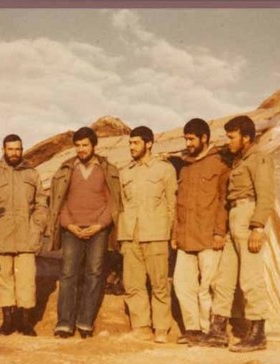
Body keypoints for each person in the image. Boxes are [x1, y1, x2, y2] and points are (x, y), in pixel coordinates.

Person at [207, 115, 274, 352]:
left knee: (250, 278)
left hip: (248, 216)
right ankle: (217, 331)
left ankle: (258, 334)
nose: (229, 141)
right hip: (235, 216)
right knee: (224, 278)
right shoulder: (239, 161)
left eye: (232, 137)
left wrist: (258, 227)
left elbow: (266, 195)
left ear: (246, 137)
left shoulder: (259, 159)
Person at [47, 127, 121, 339]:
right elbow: (58, 201)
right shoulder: (66, 169)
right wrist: (69, 225)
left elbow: (113, 201)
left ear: (94, 145)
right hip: (72, 229)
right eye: (77, 145)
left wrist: (100, 225)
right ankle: (64, 323)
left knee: (94, 273)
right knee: (68, 273)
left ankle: (85, 321)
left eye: (85, 145)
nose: (81, 149)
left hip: (98, 229)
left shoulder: (106, 169)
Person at [0, 134, 48, 336]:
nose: (14, 153)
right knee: (4, 278)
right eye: (10, 149)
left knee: (26, 279)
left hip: (27, 236)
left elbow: (42, 204)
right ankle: (7, 320)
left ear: (22, 150)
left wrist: (37, 227)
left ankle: (24, 321)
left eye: (18, 149)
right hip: (2, 235)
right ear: (3, 150)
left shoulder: (32, 174)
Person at [172, 118, 230, 345]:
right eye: (185, 139)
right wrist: (176, 234)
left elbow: (224, 201)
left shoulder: (220, 164)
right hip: (186, 237)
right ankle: (193, 329)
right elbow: (179, 204)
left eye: (191, 139)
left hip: (208, 236)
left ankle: (210, 332)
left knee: (208, 287)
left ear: (204, 138)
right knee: (182, 284)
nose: (188, 144)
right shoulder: (185, 167)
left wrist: (219, 232)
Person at [118, 126, 176, 343]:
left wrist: (169, 232)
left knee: (159, 283)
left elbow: (172, 204)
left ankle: (161, 327)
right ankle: (141, 326)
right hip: (130, 234)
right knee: (133, 284)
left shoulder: (164, 170)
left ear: (149, 143)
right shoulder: (126, 172)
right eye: (130, 143)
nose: (131, 147)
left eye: (136, 143)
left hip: (156, 234)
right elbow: (124, 205)